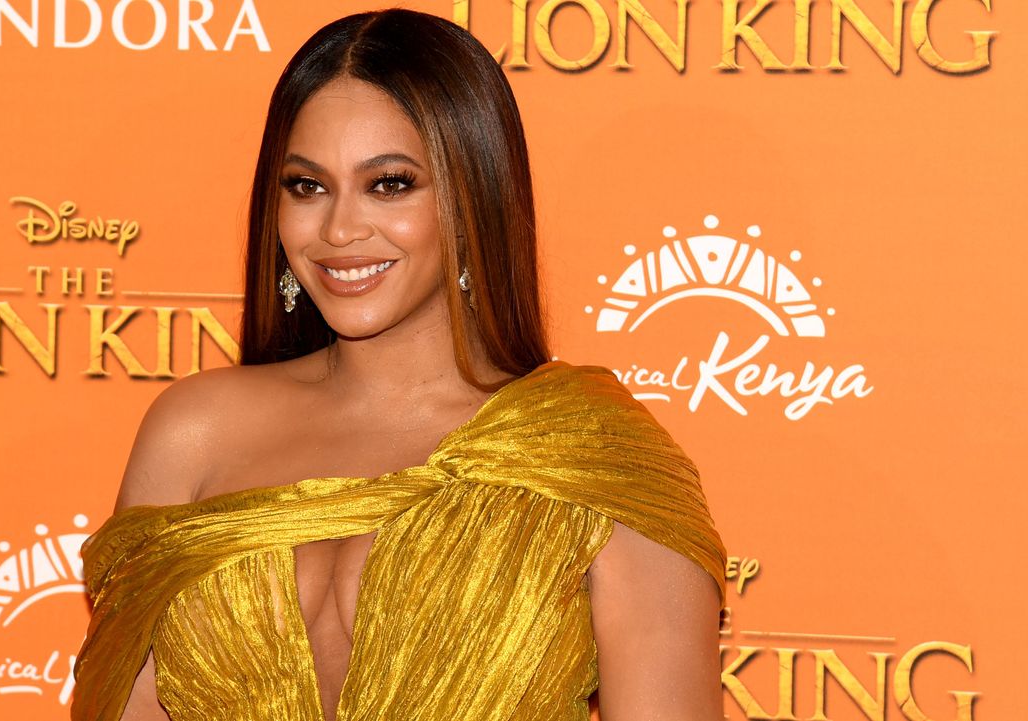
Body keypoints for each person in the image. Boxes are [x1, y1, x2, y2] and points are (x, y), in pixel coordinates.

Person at [72, 8, 727, 721]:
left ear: (473, 197)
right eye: (307, 186)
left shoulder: (591, 459)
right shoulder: (191, 432)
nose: (339, 229)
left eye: (389, 183)